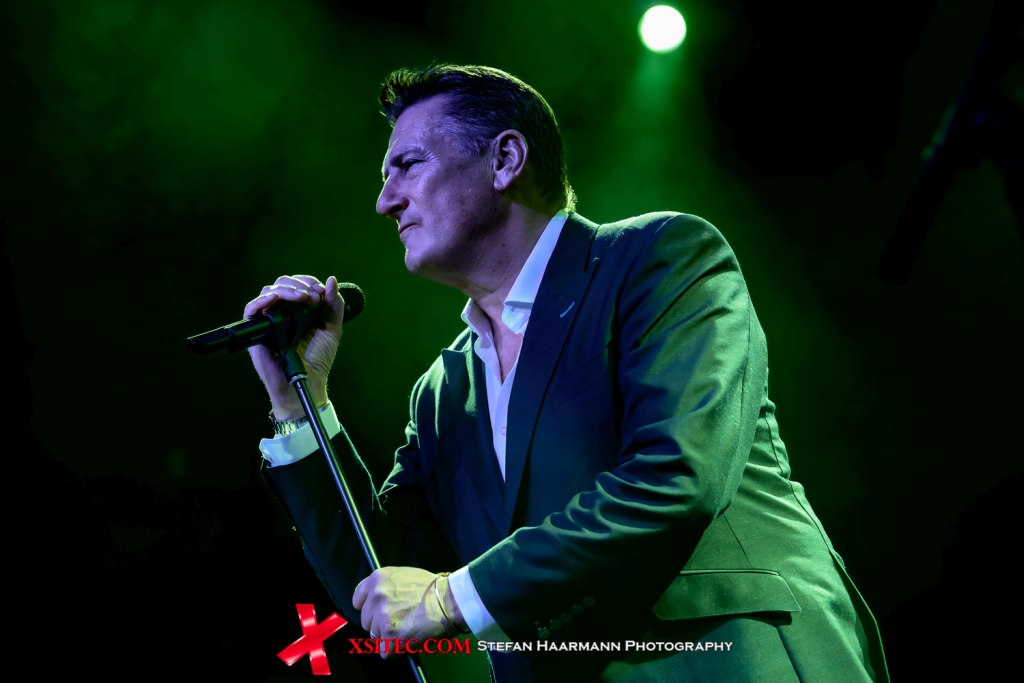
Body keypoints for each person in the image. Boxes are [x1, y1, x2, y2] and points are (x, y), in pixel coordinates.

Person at [248, 65, 888, 682]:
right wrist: (299, 403)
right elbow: (384, 584)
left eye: (408, 165)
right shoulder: (443, 394)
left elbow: (674, 477)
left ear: (505, 160)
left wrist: (452, 598)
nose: (385, 201)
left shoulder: (659, 258)